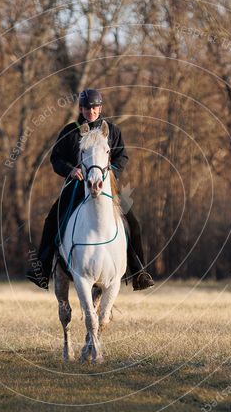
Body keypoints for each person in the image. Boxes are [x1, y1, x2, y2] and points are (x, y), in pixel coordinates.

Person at [26, 88, 155, 291]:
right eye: (87, 108)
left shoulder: (112, 131)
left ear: (100, 108)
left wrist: (109, 172)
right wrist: (70, 170)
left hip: (107, 186)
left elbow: (122, 157)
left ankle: (139, 272)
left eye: (94, 107)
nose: (91, 111)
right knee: (51, 219)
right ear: (81, 108)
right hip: (77, 186)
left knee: (133, 223)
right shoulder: (70, 131)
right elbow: (55, 159)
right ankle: (41, 269)